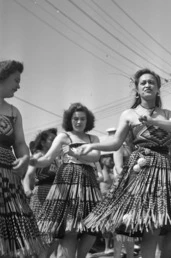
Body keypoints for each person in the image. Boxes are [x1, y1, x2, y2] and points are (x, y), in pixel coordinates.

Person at [78, 68, 171, 258]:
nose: (147, 85)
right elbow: (116, 142)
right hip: (143, 170)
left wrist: (153, 120)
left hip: (166, 170)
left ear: (158, 89)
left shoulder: (166, 113)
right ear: (137, 89)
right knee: (152, 224)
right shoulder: (129, 114)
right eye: (143, 83)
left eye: (152, 82)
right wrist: (93, 147)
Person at [32, 103, 103, 258]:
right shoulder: (63, 137)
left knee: (92, 225)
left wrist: (73, 153)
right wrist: (33, 162)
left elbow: (95, 156)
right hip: (66, 181)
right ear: (69, 120)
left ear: (88, 120)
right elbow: (47, 158)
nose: (78, 122)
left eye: (82, 119)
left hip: (88, 183)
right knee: (70, 228)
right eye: (75, 118)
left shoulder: (93, 138)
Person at [0, 59, 45, 257]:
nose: (19, 85)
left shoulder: (13, 112)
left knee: (9, 236)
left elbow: (19, 143)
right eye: (16, 80)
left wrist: (25, 158)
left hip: (8, 177)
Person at [23, 128, 60, 258]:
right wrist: (27, 190)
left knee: (56, 237)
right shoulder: (38, 155)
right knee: (42, 234)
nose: (56, 142)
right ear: (43, 142)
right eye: (52, 140)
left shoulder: (56, 157)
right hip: (41, 194)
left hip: (55, 197)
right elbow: (28, 175)